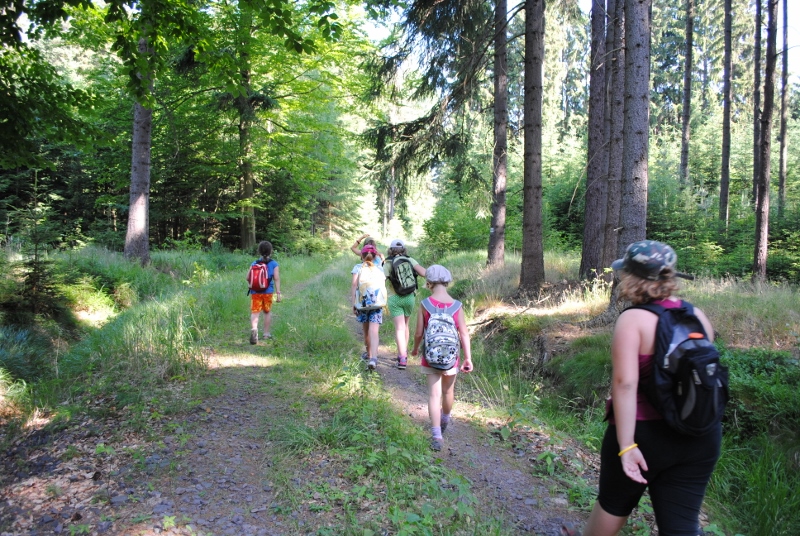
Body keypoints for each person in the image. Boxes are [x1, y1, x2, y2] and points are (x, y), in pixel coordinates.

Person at [580, 240, 720, 536]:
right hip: (701, 435)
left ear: (631, 278)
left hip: (645, 434)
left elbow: (625, 384)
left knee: (613, 504)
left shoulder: (633, 319)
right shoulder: (696, 316)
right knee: (682, 525)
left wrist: (627, 445)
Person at [411, 265, 473, 451]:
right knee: (447, 391)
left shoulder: (425, 304)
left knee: (434, 394)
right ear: (447, 281)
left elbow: (418, 333)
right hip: (451, 357)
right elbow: (464, 333)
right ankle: (445, 418)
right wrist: (468, 358)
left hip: (430, 356)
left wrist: (415, 348)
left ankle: (436, 435)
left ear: (429, 282)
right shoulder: (457, 306)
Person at [384, 239, 426, 370]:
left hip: (394, 298)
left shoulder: (387, 262)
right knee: (405, 325)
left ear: (390, 250)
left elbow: (381, 279)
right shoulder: (409, 260)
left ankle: (402, 358)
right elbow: (424, 273)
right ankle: (404, 353)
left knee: (399, 328)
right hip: (410, 297)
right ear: (404, 249)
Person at [350, 244, 383, 370]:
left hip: (362, 303)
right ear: (375, 256)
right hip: (376, 303)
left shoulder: (358, 267)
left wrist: (354, 303)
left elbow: (354, 285)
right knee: (374, 331)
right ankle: (374, 358)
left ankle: (368, 354)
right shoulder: (379, 268)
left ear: (362, 256)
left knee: (366, 330)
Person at [248, 240, 281, 344]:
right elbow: (276, 278)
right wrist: (278, 293)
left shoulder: (254, 263)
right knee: (267, 312)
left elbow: (247, 277)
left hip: (255, 292)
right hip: (268, 292)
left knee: (255, 312)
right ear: (271, 251)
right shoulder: (274, 264)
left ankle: (254, 330)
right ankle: (266, 334)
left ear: (259, 251)